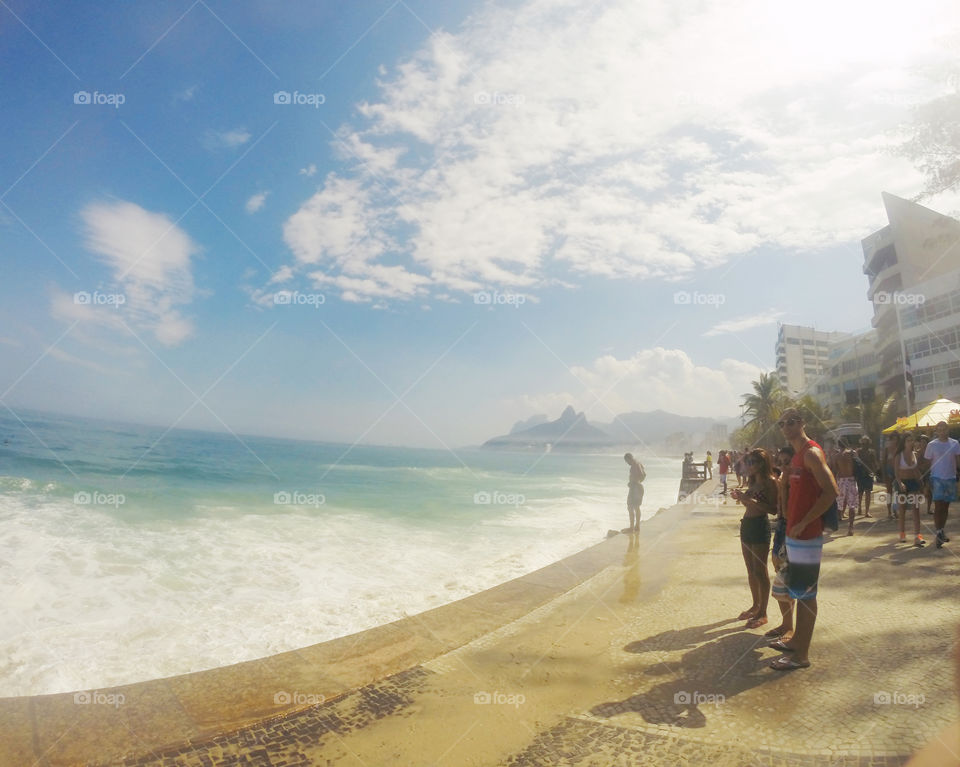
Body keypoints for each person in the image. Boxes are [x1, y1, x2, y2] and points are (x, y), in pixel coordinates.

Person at [767, 408, 838, 671]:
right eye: (781, 422)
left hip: (807, 537)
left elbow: (831, 491)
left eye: (791, 421)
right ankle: (796, 641)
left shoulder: (811, 453)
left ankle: (801, 656)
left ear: (803, 423)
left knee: (806, 596)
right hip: (795, 535)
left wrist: (806, 522)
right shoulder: (796, 457)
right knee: (797, 590)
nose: (786, 426)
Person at [732, 448, 778, 630]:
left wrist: (749, 500)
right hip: (747, 525)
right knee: (750, 570)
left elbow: (773, 509)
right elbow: (748, 504)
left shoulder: (770, 482)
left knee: (760, 570)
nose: (748, 466)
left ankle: (763, 612)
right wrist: (741, 497)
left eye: (752, 462)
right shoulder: (752, 482)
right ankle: (755, 605)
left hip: (760, 526)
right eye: (747, 462)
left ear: (762, 464)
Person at [767, 445, 795, 640]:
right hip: (781, 527)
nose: (785, 466)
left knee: (788, 579)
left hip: (791, 530)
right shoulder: (782, 480)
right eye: (782, 462)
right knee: (779, 574)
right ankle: (786, 623)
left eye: (788, 462)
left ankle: (789, 626)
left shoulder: (797, 482)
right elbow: (777, 509)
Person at [923, 421, 960, 548]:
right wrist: (926, 482)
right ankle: (938, 532)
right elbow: (927, 464)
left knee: (945, 507)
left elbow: (957, 461)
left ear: (948, 429)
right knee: (938, 506)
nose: (942, 431)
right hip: (937, 478)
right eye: (940, 429)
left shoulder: (954, 443)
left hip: (950, 478)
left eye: (944, 428)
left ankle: (941, 530)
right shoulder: (932, 445)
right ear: (936, 431)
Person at [894, 432, 926, 547]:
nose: (911, 442)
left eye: (912, 440)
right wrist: (900, 483)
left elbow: (915, 470)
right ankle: (902, 534)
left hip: (913, 483)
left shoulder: (915, 454)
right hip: (902, 482)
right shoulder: (899, 455)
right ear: (904, 442)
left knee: (915, 509)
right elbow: (896, 472)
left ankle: (918, 536)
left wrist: (921, 482)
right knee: (902, 509)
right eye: (908, 440)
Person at [832, 439, 858, 535]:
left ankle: (836, 521)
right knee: (851, 505)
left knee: (839, 503)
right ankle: (851, 527)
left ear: (838, 445)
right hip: (851, 479)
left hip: (841, 480)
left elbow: (835, 470)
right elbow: (858, 465)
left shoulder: (836, 456)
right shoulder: (851, 453)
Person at [856, 436, 878, 517]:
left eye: (867, 443)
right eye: (863, 443)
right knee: (860, 493)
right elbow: (855, 463)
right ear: (861, 443)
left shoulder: (871, 452)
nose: (865, 445)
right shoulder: (858, 451)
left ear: (869, 443)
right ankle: (859, 508)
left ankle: (867, 511)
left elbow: (875, 463)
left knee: (868, 492)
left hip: (869, 474)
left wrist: (874, 472)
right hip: (860, 474)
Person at [623, 453, 645, 533]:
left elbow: (641, 475)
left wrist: (634, 483)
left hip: (635, 488)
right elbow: (644, 475)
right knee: (636, 507)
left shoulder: (634, 465)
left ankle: (632, 528)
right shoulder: (638, 463)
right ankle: (637, 526)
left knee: (630, 506)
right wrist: (638, 482)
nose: (627, 463)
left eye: (626, 461)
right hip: (638, 488)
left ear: (629, 458)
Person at [916, 434, 933, 516]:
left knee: (929, 492)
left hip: (928, 473)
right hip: (919, 474)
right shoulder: (917, 452)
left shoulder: (930, 452)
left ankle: (928, 509)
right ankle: (916, 509)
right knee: (918, 492)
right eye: (921, 442)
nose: (922, 444)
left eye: (924, 442)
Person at [883, 436, 898, 520]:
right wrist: (884, 474)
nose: (894, 440)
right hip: (889, 470)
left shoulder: (899, 448)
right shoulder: (887, 449)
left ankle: (895, 510)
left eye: (895, 438)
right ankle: (889, 511)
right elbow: (883, 462)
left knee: (897, 492)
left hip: (897, 471)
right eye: (892, 439)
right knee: (889, 492)